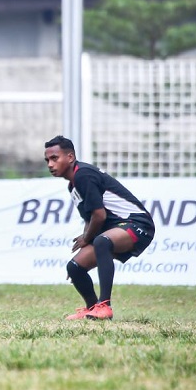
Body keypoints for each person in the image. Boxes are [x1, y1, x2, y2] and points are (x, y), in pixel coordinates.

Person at [44, 136, 155, 320]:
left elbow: (99, 215)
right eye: (47, 160)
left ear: (70, 157)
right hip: (115, 228)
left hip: (137, 224)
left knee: (102, 241)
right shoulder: (73, 186)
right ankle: (92, 308)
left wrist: (86, 238)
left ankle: (105, 306)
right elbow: (91, 217)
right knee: (75, 268)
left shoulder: (84, 175)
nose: (50, 164)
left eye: (54, 158)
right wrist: (86, 237)